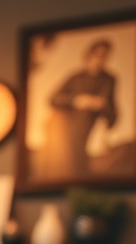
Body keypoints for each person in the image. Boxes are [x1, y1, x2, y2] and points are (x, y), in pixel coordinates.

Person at [37, 39, 118, 180]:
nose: (99, 59)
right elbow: (53, 99)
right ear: (89, 55)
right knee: (58, 166)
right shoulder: (75, 78)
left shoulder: (109, 80)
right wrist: (77, 100)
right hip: (64, 129)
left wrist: (102, 106)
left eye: (104, 56)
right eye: (97, 55)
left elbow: (112, 112)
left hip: (86, 129)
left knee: (79, 169)